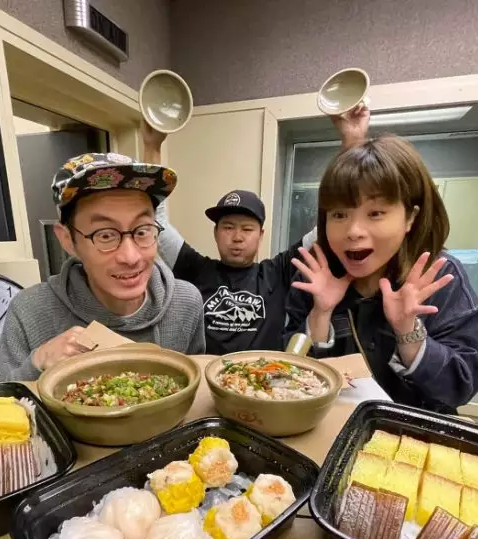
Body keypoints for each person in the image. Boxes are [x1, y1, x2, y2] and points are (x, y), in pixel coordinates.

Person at [141, 105, 369, 355]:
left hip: (263, 377)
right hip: (206, 375)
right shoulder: (196, 269)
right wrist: (152, 147)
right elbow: (156, 222)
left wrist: (352, 142)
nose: (237, 237)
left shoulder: (278, 272)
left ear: (260, 235)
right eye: (228, 227)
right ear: (216, 233)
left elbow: (328, 224)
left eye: (247, 229)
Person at [285, 135, 478, 413]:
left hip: (408, 429)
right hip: (330, 423)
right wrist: (321, 314)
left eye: (375, 213)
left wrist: (408, 332)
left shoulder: (437, 275)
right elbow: (288, 377)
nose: (353, 231)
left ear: (410, 217)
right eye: (339, 215)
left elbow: (461, 387)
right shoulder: (316, 274)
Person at [0, 153, 205, 383]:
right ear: (68, 240)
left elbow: (196, 390)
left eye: (142, 231)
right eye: (105, 235)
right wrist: (37, 363)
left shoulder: (185, 303)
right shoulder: (31, 310)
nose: (131, 257)